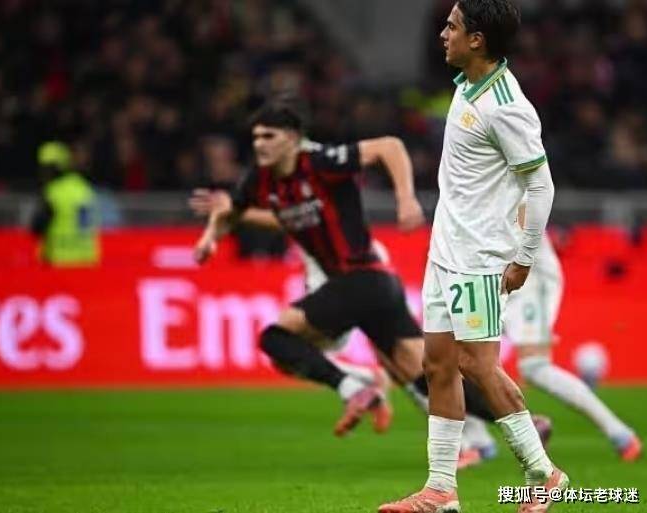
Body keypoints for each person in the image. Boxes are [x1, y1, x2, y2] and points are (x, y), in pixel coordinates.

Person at [191, 99, 501, 436]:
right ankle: (521, 422)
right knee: (425, 379)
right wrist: (210, 238)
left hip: (362, 278)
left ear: (292, 138)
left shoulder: (320, 162)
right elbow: (232, 211)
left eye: (269, 136)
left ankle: (354, 388)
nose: (259, 144)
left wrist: (406, 199)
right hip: (369, 286)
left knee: (275, 338)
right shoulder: (259, 180)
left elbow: (389, 146)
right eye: (256, 137)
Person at [379, 2, 566, 512]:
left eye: (453, 26)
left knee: (477, 365)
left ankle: (543, 473)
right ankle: (441, 489)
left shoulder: (507, 106)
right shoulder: (467, 85)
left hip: (480, 257)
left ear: (477, 39)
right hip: (444, 251)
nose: (443, 34)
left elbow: (542, 185)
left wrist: (524, 257)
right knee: (438, 364)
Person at [506, 212, 641, 461]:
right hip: (490, 272)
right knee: (458, 359)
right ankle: (476, 441)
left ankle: (619, 433)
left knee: (534, 367)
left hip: (527, 275)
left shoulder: (511, 187)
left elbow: (522, 211)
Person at [31, 141, 100, 266]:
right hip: (87, 259)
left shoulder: (53, 192)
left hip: (59, 260)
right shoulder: (84, 187)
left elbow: (37, 227)